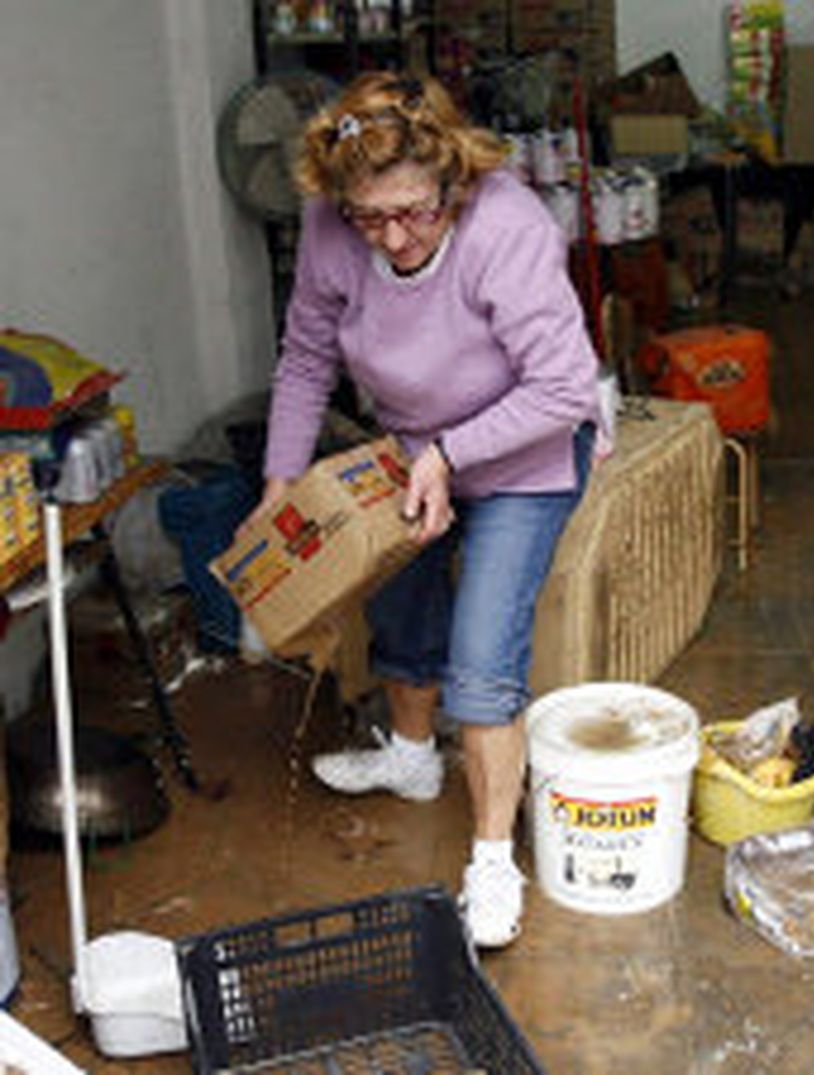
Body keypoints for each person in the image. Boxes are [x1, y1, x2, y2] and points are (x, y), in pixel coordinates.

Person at [247, 72, 600, 947]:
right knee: (399, 594)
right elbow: (303, 360)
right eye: (372, 218)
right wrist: (280, 482)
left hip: (525, 450)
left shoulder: (506, 227)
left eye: (415, 212)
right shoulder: (334, 229)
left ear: (454, 180)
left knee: (483, 648)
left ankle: (489, 861)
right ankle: (410, 760)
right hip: (414, 443)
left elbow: (562, 386)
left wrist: (451, 455)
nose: (395, 238)